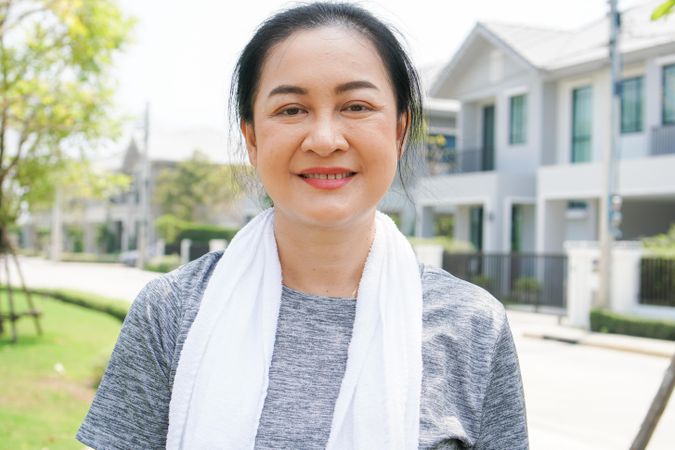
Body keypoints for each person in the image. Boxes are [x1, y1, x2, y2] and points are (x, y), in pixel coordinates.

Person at [77, 3, 528, 449]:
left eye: (356, 106)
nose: (325, 140)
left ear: (399, 131)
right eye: (292, 110)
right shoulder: (171, 312)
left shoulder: (472, 325)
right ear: (252, 138)